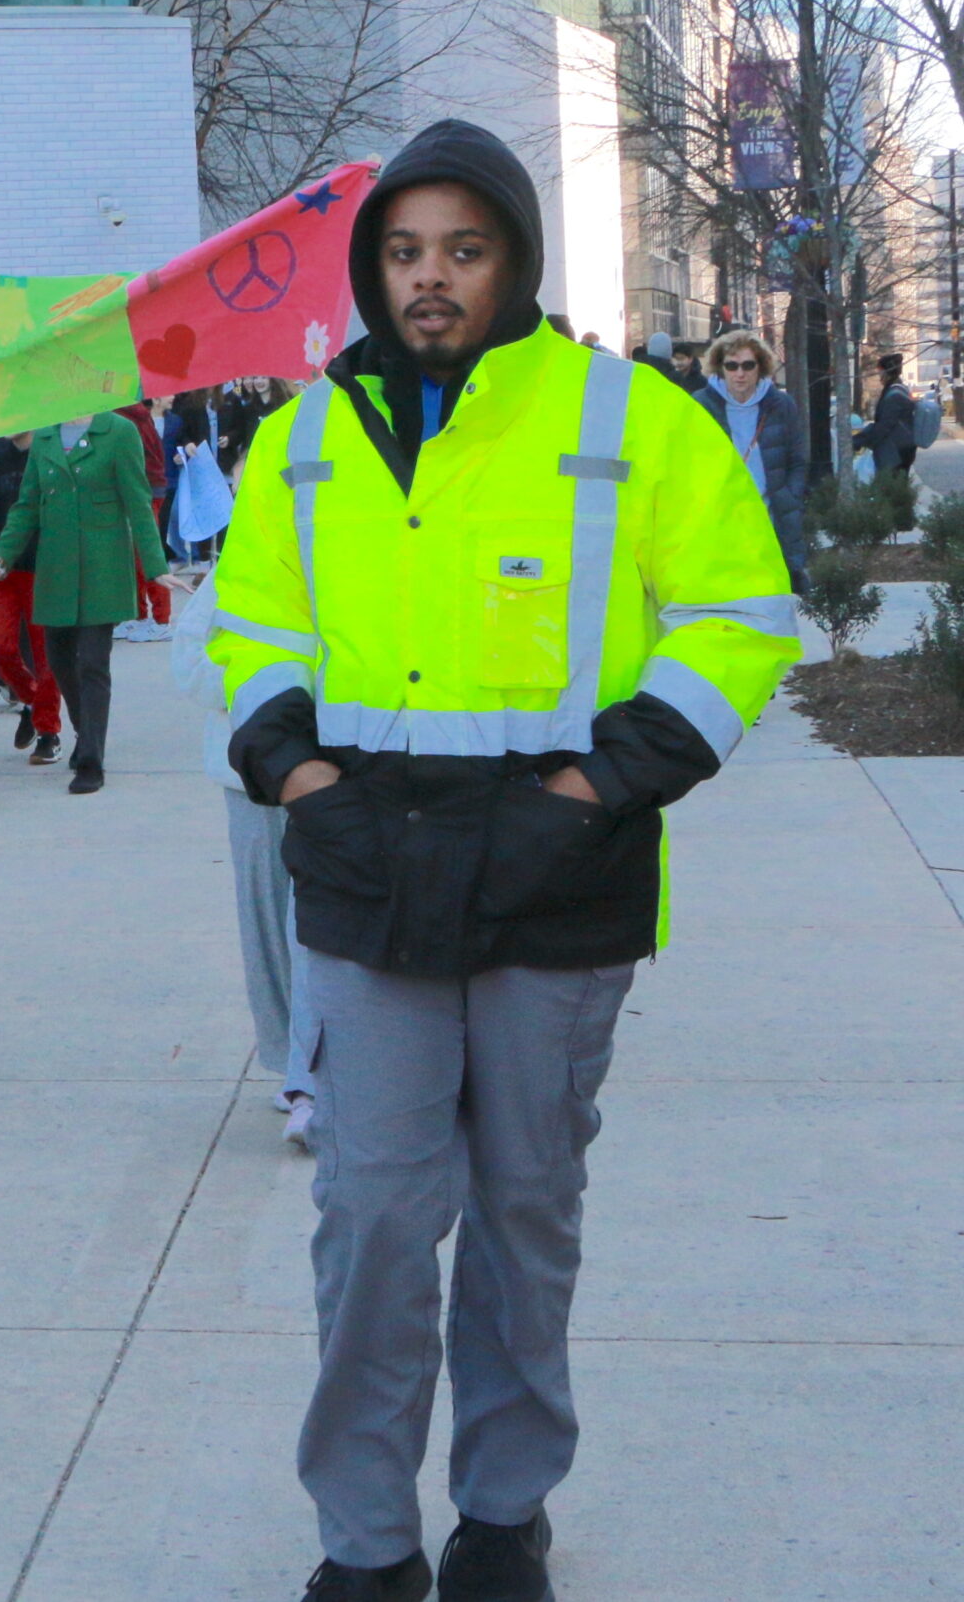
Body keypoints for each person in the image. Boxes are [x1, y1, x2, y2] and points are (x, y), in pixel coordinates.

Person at [206, 120, 797, 1602]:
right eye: (405, 252)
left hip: (562, 864)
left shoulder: (630, 415)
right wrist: (300, 770)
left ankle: (504, 1514)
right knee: (374, 1219)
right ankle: (366, 1540)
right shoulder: (304, 435)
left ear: (515, 259)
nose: (431, 278)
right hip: (365, 863)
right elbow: (253, 630)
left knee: (527, 1210)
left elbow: (738, 615)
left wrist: (598, 783)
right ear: (371, 268)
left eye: (464, 249)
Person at [172, 579, 314, 1148]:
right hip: (249, 776)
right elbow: (192, 659)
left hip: (340, 773)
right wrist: (270, 702)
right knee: (267, 922)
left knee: (314, 927)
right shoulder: (239, 565)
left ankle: (312, 1077)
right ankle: (290, 1060)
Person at [0, 414, 167, 795]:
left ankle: (90, 760)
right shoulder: (45, 436)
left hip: (104, 569)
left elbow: (138, 501)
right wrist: (4, 552)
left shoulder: (119, 432)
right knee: (61, 660)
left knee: (93, 664)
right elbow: (27, 505)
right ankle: (87, 734)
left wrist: (155, 567)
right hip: (56, 570)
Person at [694, 332, 811, 591]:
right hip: (721, 523)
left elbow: (798, 459)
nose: (740, 373)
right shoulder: (701, 406)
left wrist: (790, 496)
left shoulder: (780, 405)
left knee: (772, 596)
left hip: (772, 520)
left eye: (748, 365)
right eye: (731, 366)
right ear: (720, 367)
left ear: (761, 367)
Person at [0, 432, 63, 763]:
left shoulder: (51, 448)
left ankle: (49, 731)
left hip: (41, 564)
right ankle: (32, 702)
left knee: (45, 654)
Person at [859, 352, 920, 479]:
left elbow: (884, 425)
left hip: (895, 453)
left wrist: (860, 440)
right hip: (902, 449)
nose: (879, 374)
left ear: (887, 371)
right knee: (897, 488)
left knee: (892, 489)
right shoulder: (899, 390)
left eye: (880, 370)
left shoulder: (894, 395)